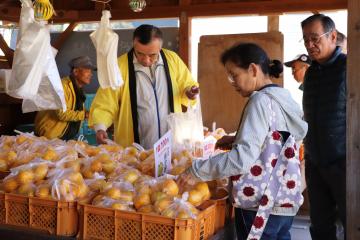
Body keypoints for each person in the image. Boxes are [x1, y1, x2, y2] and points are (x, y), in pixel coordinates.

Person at [178, 43, 308, 239]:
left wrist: (196, 170)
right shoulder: (283, 98)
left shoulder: (260, 101)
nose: (232, 82)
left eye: (234, 74)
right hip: (284, 202)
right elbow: (275, 139)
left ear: (253, 69)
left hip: (259, 205)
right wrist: (237, 138)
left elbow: (242, 159)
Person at [89, 24, 199, 149]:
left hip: (172, 143)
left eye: (152, 55)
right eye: (140, 53)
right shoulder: (119, 67)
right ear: (133, 45)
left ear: (160, 47)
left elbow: (188, 85)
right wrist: (100, 128)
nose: (146, 60)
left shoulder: (172, 59)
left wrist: (190, 92)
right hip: (133, 148)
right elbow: (105, 102)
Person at [301, 14, 346, 240]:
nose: (310, 44)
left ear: (333, 36)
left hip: (344, 162)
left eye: (315, 38)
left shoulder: (349, 67)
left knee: (353, 222)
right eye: (306, 39)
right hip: (315, 162)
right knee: (319, 226)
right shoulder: (311, 74)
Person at [34, 56, 95, 140]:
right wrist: (84, 115)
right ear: (75, 71)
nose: (91, 74)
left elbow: (77, 112)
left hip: (65, 138)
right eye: (87, 70)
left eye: (91, 71)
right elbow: (62, 114)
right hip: (50, 139)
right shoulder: (61, 87)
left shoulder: (78, 90)